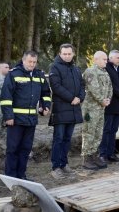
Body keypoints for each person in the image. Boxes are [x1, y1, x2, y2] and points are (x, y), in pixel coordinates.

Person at [0, 50, 51, 180]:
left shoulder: (39, 75)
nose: (32, 64)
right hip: (15, 120)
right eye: (30, 61)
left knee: (26, 149)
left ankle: (21, 175)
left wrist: (45, 106)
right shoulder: (14, 74)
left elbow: (45, 93)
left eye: (34, 62)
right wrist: (8, 116)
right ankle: (11, 177)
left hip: (31, 120)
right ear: (23, 60)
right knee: (13, 149)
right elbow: (6, 97)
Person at [48, 44, 85, 179]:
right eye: (64, 54)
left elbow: (82, 85)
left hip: (74, 109)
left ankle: (64, 164)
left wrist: (80, 98)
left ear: (73, 54)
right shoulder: (55, 67)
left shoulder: (76, 69)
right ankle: (56, 167)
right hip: (61, 108)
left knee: (67, 139)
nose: (67, 56)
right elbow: (56, 87)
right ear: (60, 53)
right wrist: (72, 98)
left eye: (69, 54)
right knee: (58, 138)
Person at [82, 51, 112, 170]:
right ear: (96, 59)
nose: (106, 61)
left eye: (106, 59)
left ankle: (94, 155)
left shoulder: (104, 72)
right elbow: (94, 88)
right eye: (104, 59)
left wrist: (108, 99)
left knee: (98, 133)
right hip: (91, 108)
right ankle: (86, 158)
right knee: (89, 132)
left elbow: (110, 87)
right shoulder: (90, 71)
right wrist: (102, 100)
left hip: (101, 108)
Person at [100, 50, 119, 162]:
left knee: (114, 130)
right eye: (118, 57)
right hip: (110, 104)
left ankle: (111, 154)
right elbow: (111, 85)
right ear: (111, 58)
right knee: (106, 130)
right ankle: (103, 154)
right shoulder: (107, 68)